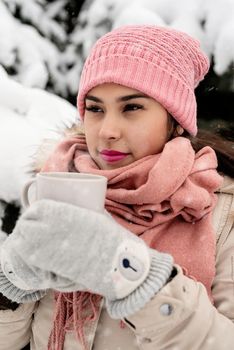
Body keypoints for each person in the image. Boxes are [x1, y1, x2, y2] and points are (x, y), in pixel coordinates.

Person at [0, 25, 234, 350]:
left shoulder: (222, 211)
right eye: (95, 109)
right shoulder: (61, 182)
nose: (108, 130)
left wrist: (136, 277)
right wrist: (10, 283)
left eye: (132, 107)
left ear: (176, 120)